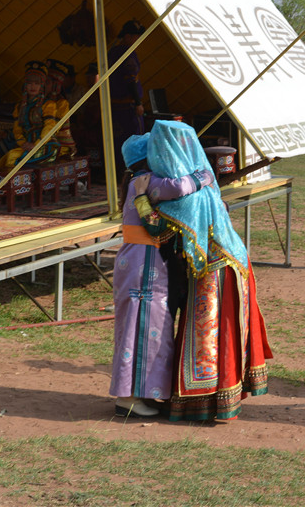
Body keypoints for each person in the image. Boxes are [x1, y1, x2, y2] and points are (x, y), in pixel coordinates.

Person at [146, 120, 272, 422]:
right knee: (223, 336)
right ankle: (221, 400)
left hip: (216, 272)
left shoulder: (184, 192)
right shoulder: (203, 179)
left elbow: (156, 222)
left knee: (209, 337)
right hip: (235, 264)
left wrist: (144, 194)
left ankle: (203, 404)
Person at [109, 132, 215, 417]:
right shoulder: (149, 183)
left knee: (141, 327)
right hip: (145, 266)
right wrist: (204, 173)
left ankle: (135, 393)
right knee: (144, 327)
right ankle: (129, 398)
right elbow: (180, 187)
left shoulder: (137, 182)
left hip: (139, 262)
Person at [0, 61, 59, 168]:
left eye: (37, 83)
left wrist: (36, 144)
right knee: (4, 158)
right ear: (25, 85)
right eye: (30, 83)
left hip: (44, 145)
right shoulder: (19, 106)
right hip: (26, 144)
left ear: (42, 85)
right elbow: (17, 129)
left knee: (11, 157)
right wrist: (23, 143)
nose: (33, 86)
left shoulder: (48, 105)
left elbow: (49, 127)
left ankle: (18, 183)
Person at [108, 19, 146, 177]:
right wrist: (138, 103)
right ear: (129, 36)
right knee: (134, 139)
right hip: (128, 105)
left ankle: (117, 171)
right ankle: (132, 171)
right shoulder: (126, 53)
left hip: (114, 106)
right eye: (136, 37)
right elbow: (130, 80)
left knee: (117, 139)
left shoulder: (112, 51)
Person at [44, 58, 77, 159]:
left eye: (47, 82)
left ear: (55, 85)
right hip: (41, 140)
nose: (43, 85)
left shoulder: (62, 103)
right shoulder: (40, 101)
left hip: (59, 144)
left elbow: (53, 129)